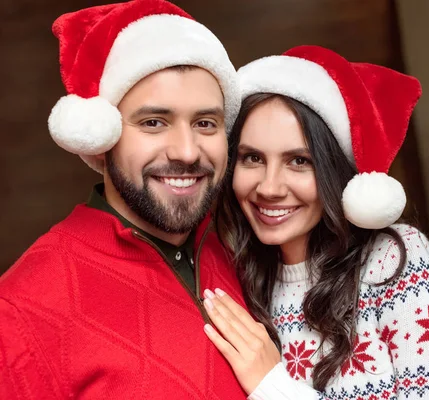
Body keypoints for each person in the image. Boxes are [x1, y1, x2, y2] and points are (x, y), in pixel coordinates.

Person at [0, 1, 247, 398]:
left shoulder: (241, 251)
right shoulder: (21, 310)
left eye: (205, 123)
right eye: (153, 123)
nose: (186, 150)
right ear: (101, 140)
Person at [205, 45, 429, 399]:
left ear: (335, 170)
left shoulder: (393, 260)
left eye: (299, 161)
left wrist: (273, 386)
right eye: (252, 158)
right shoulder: (235, 272)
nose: (268, 187)